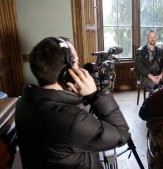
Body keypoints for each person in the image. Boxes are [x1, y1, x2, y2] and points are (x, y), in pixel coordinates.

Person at [15, 37, 131, 169]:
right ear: (67, 72)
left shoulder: (22, 102)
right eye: (77, 62)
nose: (81, 67)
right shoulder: (74, 120)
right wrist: (95, 96)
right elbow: (122, 134)